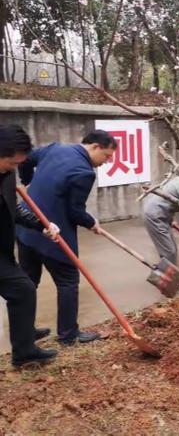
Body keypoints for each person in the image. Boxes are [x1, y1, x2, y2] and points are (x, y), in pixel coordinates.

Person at [16, 130, 117, 345]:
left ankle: (25, 331)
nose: (107, 162)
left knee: (28, 282)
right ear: (95, 146)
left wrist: (28, 182)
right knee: (68, 281)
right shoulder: (84, 172)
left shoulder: (55, 148)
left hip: (25, 228)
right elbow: (75, 212)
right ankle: (68, 335)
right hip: (53, 237)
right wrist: (91, 223)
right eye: (107, 156)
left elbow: (25, 160)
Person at [0, 124, 59, 366]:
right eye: (12, 163)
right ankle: (24, 349)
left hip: (2, 248)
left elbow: (13, 210)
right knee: (22, 289)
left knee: (23, 290)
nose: (15, 169)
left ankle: (24, 344)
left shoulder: (7, 174)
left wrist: (42, 225)